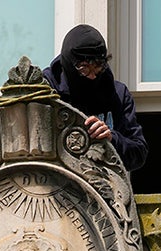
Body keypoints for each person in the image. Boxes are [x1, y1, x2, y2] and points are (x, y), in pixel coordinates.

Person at [43, 25, 148, 172]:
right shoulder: (46, 92)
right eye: (84, 68)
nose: (92, 76)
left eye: (98, 67)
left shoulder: (118, 94)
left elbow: (139, 153)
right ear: (69, 64)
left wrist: (112, 138)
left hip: (103, 186)